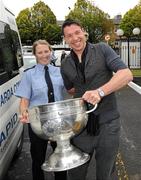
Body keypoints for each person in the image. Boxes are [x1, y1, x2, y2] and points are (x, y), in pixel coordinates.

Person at [60, 19, 133, 180]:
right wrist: (81, 97)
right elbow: (70, 89)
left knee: (104, 173)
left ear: (84, 32)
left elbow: (126, 74)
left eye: (77, 32)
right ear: (65, 39)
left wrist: (100, 92)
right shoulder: (65, 64)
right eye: (69, 35)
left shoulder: (102, 49)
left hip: (108, 124)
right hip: (80, 126)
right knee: (75, 172)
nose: (75, 38)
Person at [15, 40, 67, 180]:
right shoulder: (29, 75)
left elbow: (72, 89)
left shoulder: (60, 72)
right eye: (40, 52)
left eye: (46, 51)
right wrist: (24, 111)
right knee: (38, 159)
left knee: (61, 158)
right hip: (37, 122)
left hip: (58, 121)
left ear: (51, 51)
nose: (44, 55)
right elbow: (24, 100)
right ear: (35, 55)